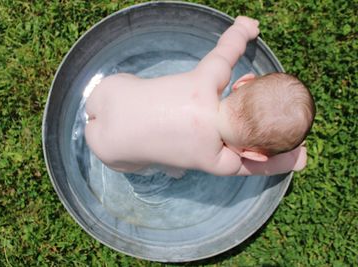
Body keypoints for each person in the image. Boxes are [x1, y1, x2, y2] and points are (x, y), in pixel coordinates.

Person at [84, 16, 315, 177]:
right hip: (106, 148)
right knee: (143, 164)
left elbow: (229, 46)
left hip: (107, 92)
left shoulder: (210, 76)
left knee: (134, 90)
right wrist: (291, 161)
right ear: (252, 154)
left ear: (242, 82)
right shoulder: (217, 159)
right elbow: (260, 169)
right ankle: (167, 164)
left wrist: (242, 29)